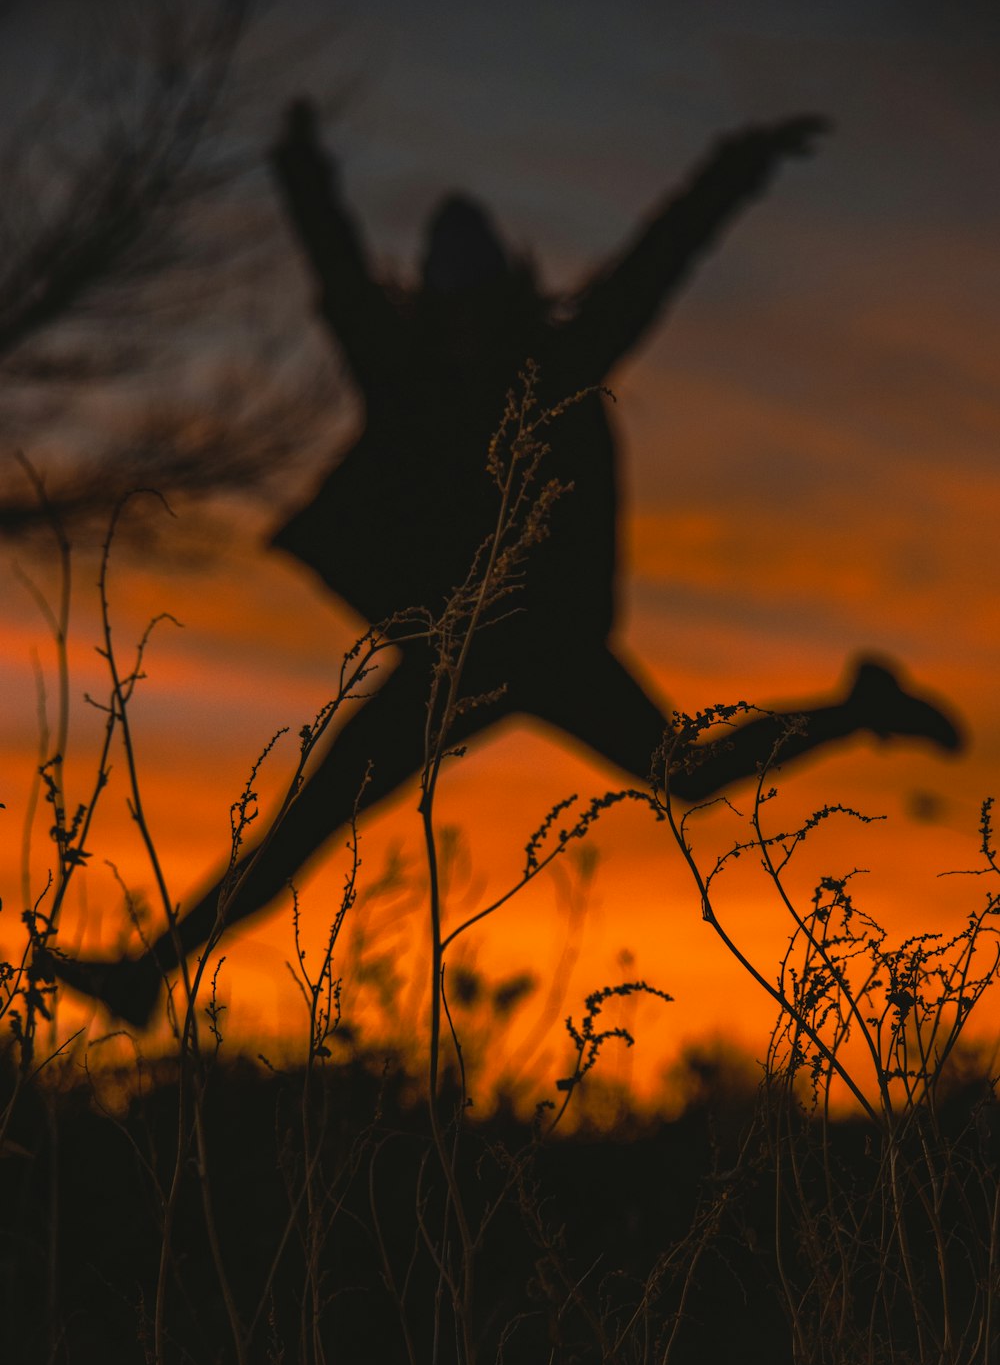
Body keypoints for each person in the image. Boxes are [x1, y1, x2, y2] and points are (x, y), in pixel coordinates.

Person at [51, 102, 962, 1026]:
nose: (468, 329)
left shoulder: (559, 362)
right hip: (456, 654)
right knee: (309, 821)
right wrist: (300, 169)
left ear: (506, 300)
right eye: (455, 311)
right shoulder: (404, 370)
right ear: (438, 308)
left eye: (480, 309)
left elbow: (656, 267)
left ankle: (860, 707)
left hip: (555, 646)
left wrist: (734, 167)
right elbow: (338, 278)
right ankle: (147, 974)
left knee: (684, 774)